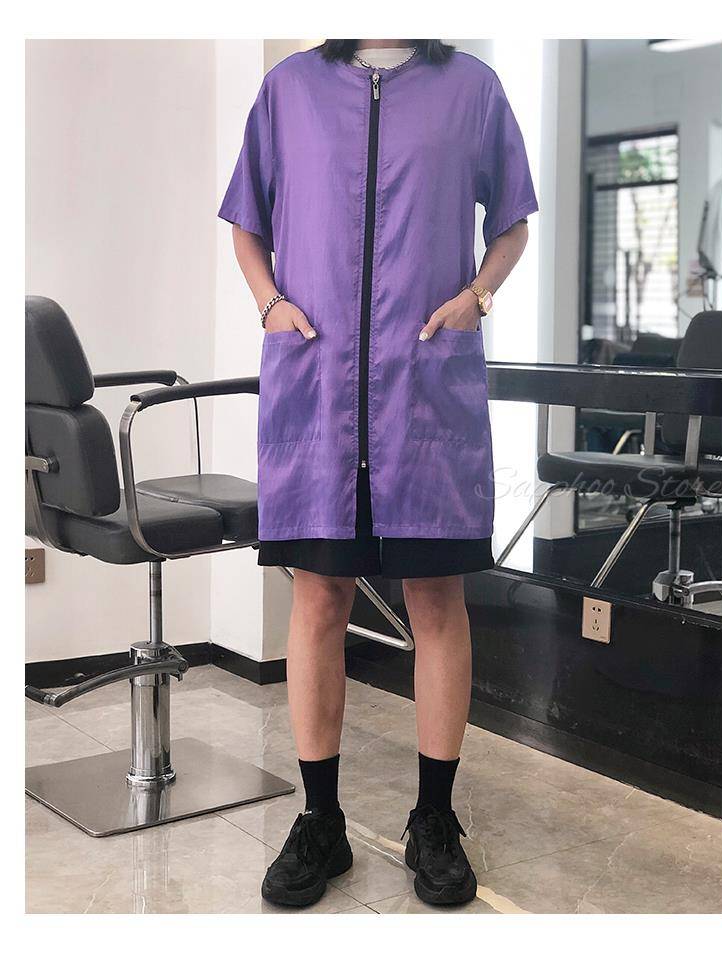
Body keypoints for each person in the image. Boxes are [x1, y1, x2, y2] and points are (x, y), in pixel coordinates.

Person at [220, 38, 537, 908]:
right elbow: (247, 220)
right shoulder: (288, 89)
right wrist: (269, 303)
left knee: (436, 600)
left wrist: (478, 295)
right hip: (318, 386)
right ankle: (320, 819)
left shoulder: (472, 89)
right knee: (319, 598)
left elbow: (512, 220)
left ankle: (433, 818)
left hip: (423, 390)